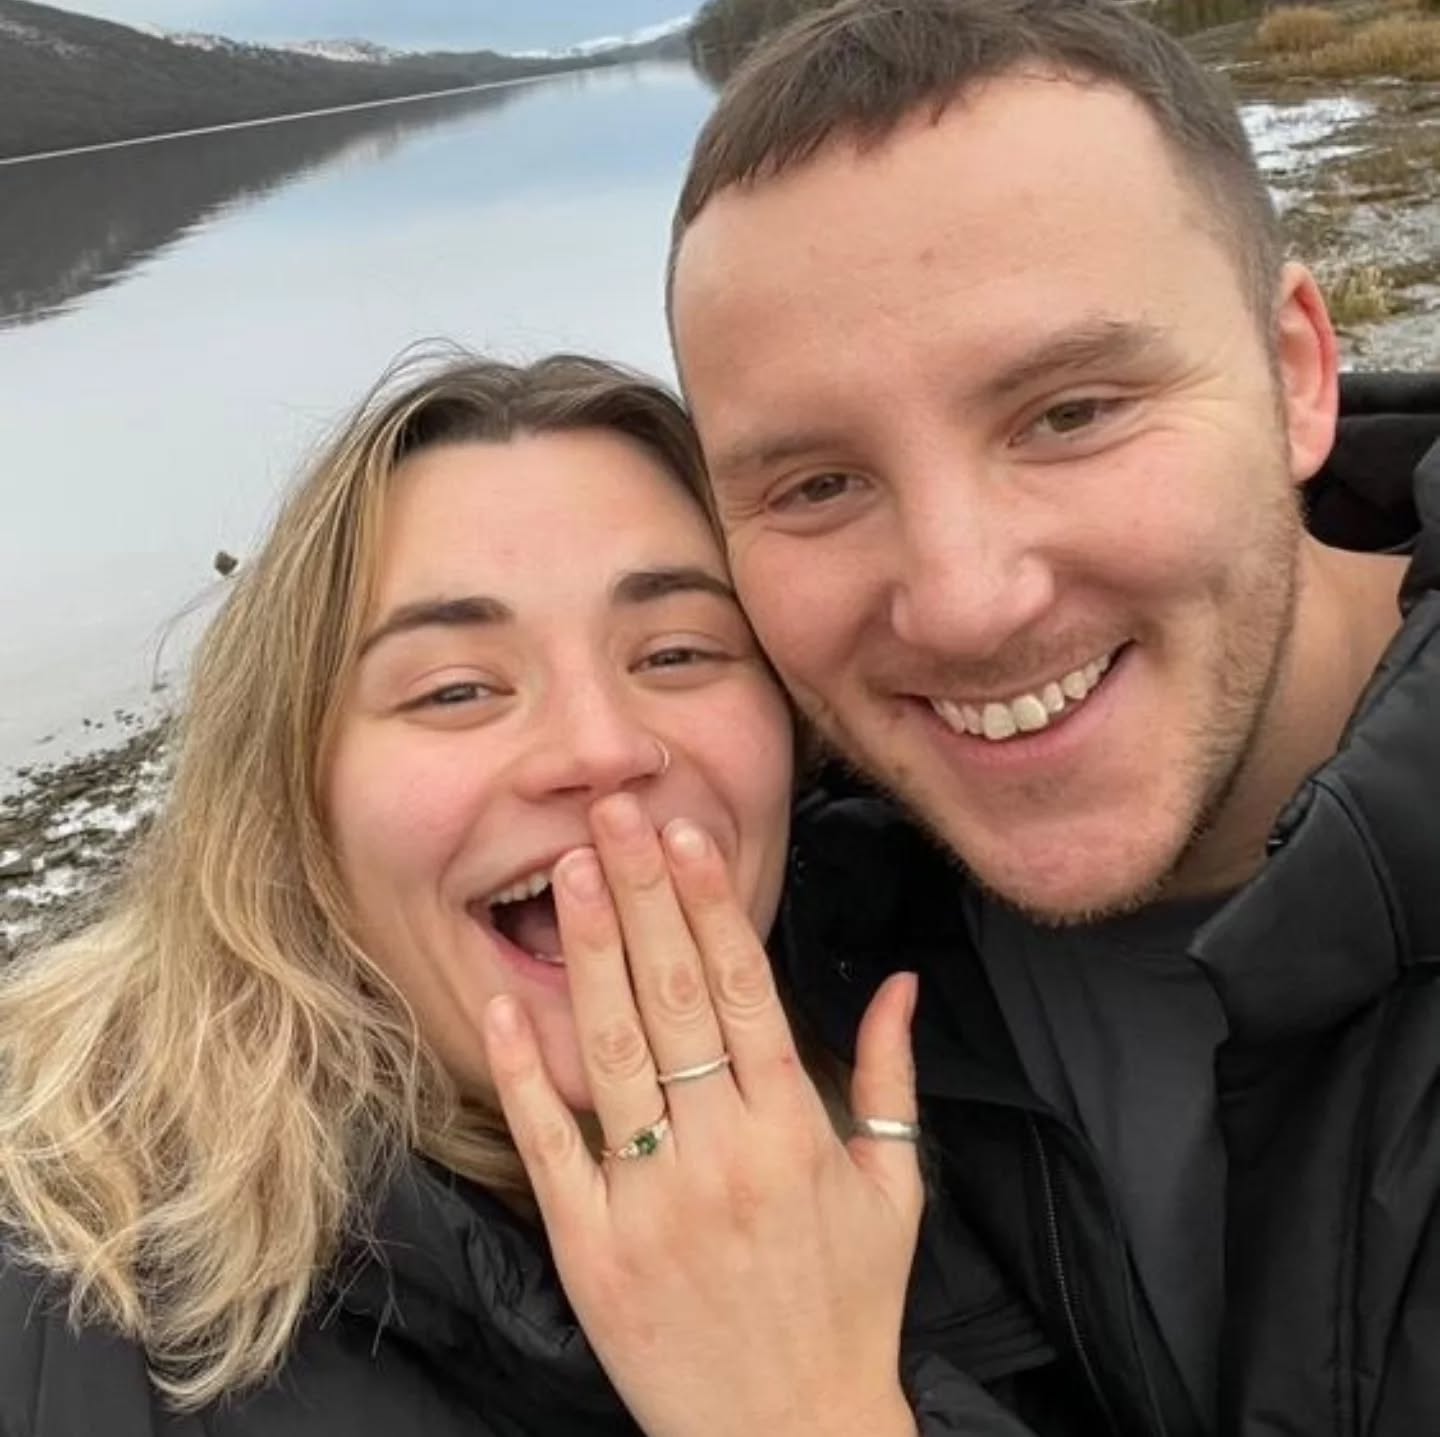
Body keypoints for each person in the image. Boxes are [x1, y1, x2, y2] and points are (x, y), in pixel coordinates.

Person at [666, 1, 1440, 1433]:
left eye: (1069, 413)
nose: (963, 602)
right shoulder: (787, 955)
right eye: (819, 485)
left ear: (1297, 375)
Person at [0, 352, 961, 1437]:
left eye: (680, 653)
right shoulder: (68, 1310)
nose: (601, 749)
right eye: (457, 688)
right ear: (292, 799)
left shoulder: (961, 1074)